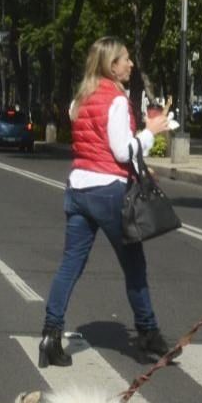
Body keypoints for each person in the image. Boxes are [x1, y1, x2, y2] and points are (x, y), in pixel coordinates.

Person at [40, 38, 175, 368]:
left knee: (70, 265)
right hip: (108, 193)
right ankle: (148, 337)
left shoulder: (81, 98)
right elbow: (121, 151)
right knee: (134, 266)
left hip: (78, 189)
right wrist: (151, 131)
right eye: (126, 60)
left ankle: (50, 335)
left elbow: (93, 146)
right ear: (111, 65)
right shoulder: (115, 100)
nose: (131, 65)